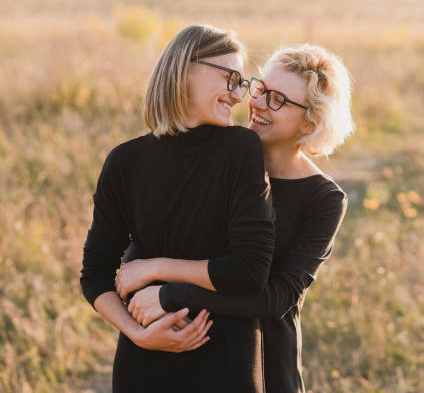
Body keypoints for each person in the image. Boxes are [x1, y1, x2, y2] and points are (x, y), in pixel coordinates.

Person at [115, 44, 354, 392]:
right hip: (185, 349)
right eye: (260, 89)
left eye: (278, 100)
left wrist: (171, 292)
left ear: (311, 121)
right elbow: (148, 247)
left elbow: (276, 300)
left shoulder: (324, 199)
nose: (256, 104)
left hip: (265, 364)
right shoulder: (216, 158)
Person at [80, 24, 275, 392]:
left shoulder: (240, 148)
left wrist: (155, 267)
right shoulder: (124, 161)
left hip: (223, 358)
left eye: (242, 83)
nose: (238, 95)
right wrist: (138, 334)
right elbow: (95, 274)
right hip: (142, 364)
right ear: (185, 69)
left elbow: (250, 271)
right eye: (231, 78)